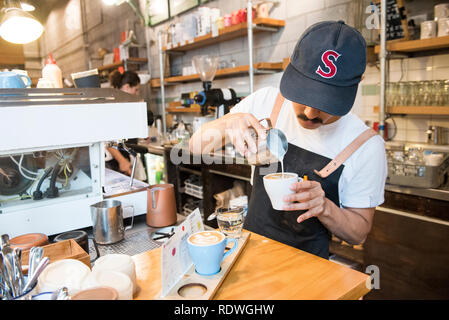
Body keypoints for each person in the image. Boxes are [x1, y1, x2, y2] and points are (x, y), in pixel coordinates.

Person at [189, 21, 388, 259]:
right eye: (304, 96)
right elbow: (195, 146)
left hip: (310, 271)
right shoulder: (266, 103)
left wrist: (324, 208)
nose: (310, 113)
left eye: (326, 103)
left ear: (356, 83)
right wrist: (227, 123)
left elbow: (358, 233)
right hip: (250, 254)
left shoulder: (366, 146)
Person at [106, 70, 153, 177]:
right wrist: (122, 161)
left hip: (127, 158)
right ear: (127, 87)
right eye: (136, 90)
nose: (137, 93)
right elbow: (107, 140)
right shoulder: (113, 106)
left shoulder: (125, 106)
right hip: (116, 163)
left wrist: (141, 136)